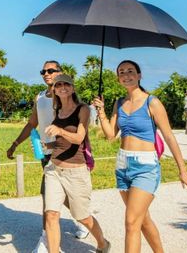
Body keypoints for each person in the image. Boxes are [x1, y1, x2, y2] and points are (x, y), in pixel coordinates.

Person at [92, 60, 187, 253]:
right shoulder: (119, 103)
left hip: (145, 167)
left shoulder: (152, 102)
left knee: (131, 222)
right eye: (122, 72)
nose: (126, 74)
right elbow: (111, 135)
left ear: (139, 75)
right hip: (122, 165)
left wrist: (183, 170)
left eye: (130, 71)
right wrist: (101, 111)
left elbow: (169, 136)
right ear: (118, 78)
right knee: (142, 219)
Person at [7, 60, 90, 252]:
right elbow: (31, 124)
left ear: (61, 73)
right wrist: (14, 144)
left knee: (51, 196)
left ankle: (47, 240)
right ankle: (80, 222)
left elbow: (80, 125)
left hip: (66, 152)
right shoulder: (40, 98)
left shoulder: (67, 98)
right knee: (59, 196)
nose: (46, 73)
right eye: (43, 71)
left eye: (51, 70)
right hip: (46, 152)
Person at [41, 73, 111, 253]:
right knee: (51, 214)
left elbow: (79, 138)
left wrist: (59, 130)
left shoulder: (83, 109)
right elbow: (62, 142)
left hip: (76, 172)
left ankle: (103, 243)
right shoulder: (57, 111)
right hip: (54, 169)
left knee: (82, 217)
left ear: (72, 88)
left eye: (66, 84)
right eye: (58, 85)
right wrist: (49, 144)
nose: (62, 87)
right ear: (54, 90)